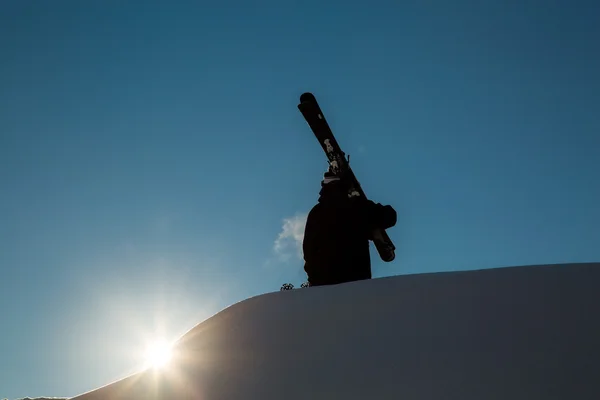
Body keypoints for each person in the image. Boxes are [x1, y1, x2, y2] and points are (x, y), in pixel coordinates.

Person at [302, 167, 397, 286]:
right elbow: (390, 216)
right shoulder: (356, 207)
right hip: (354, 282)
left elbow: (308, 249)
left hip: (323, 283)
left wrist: (313, 277)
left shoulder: (316, 211)